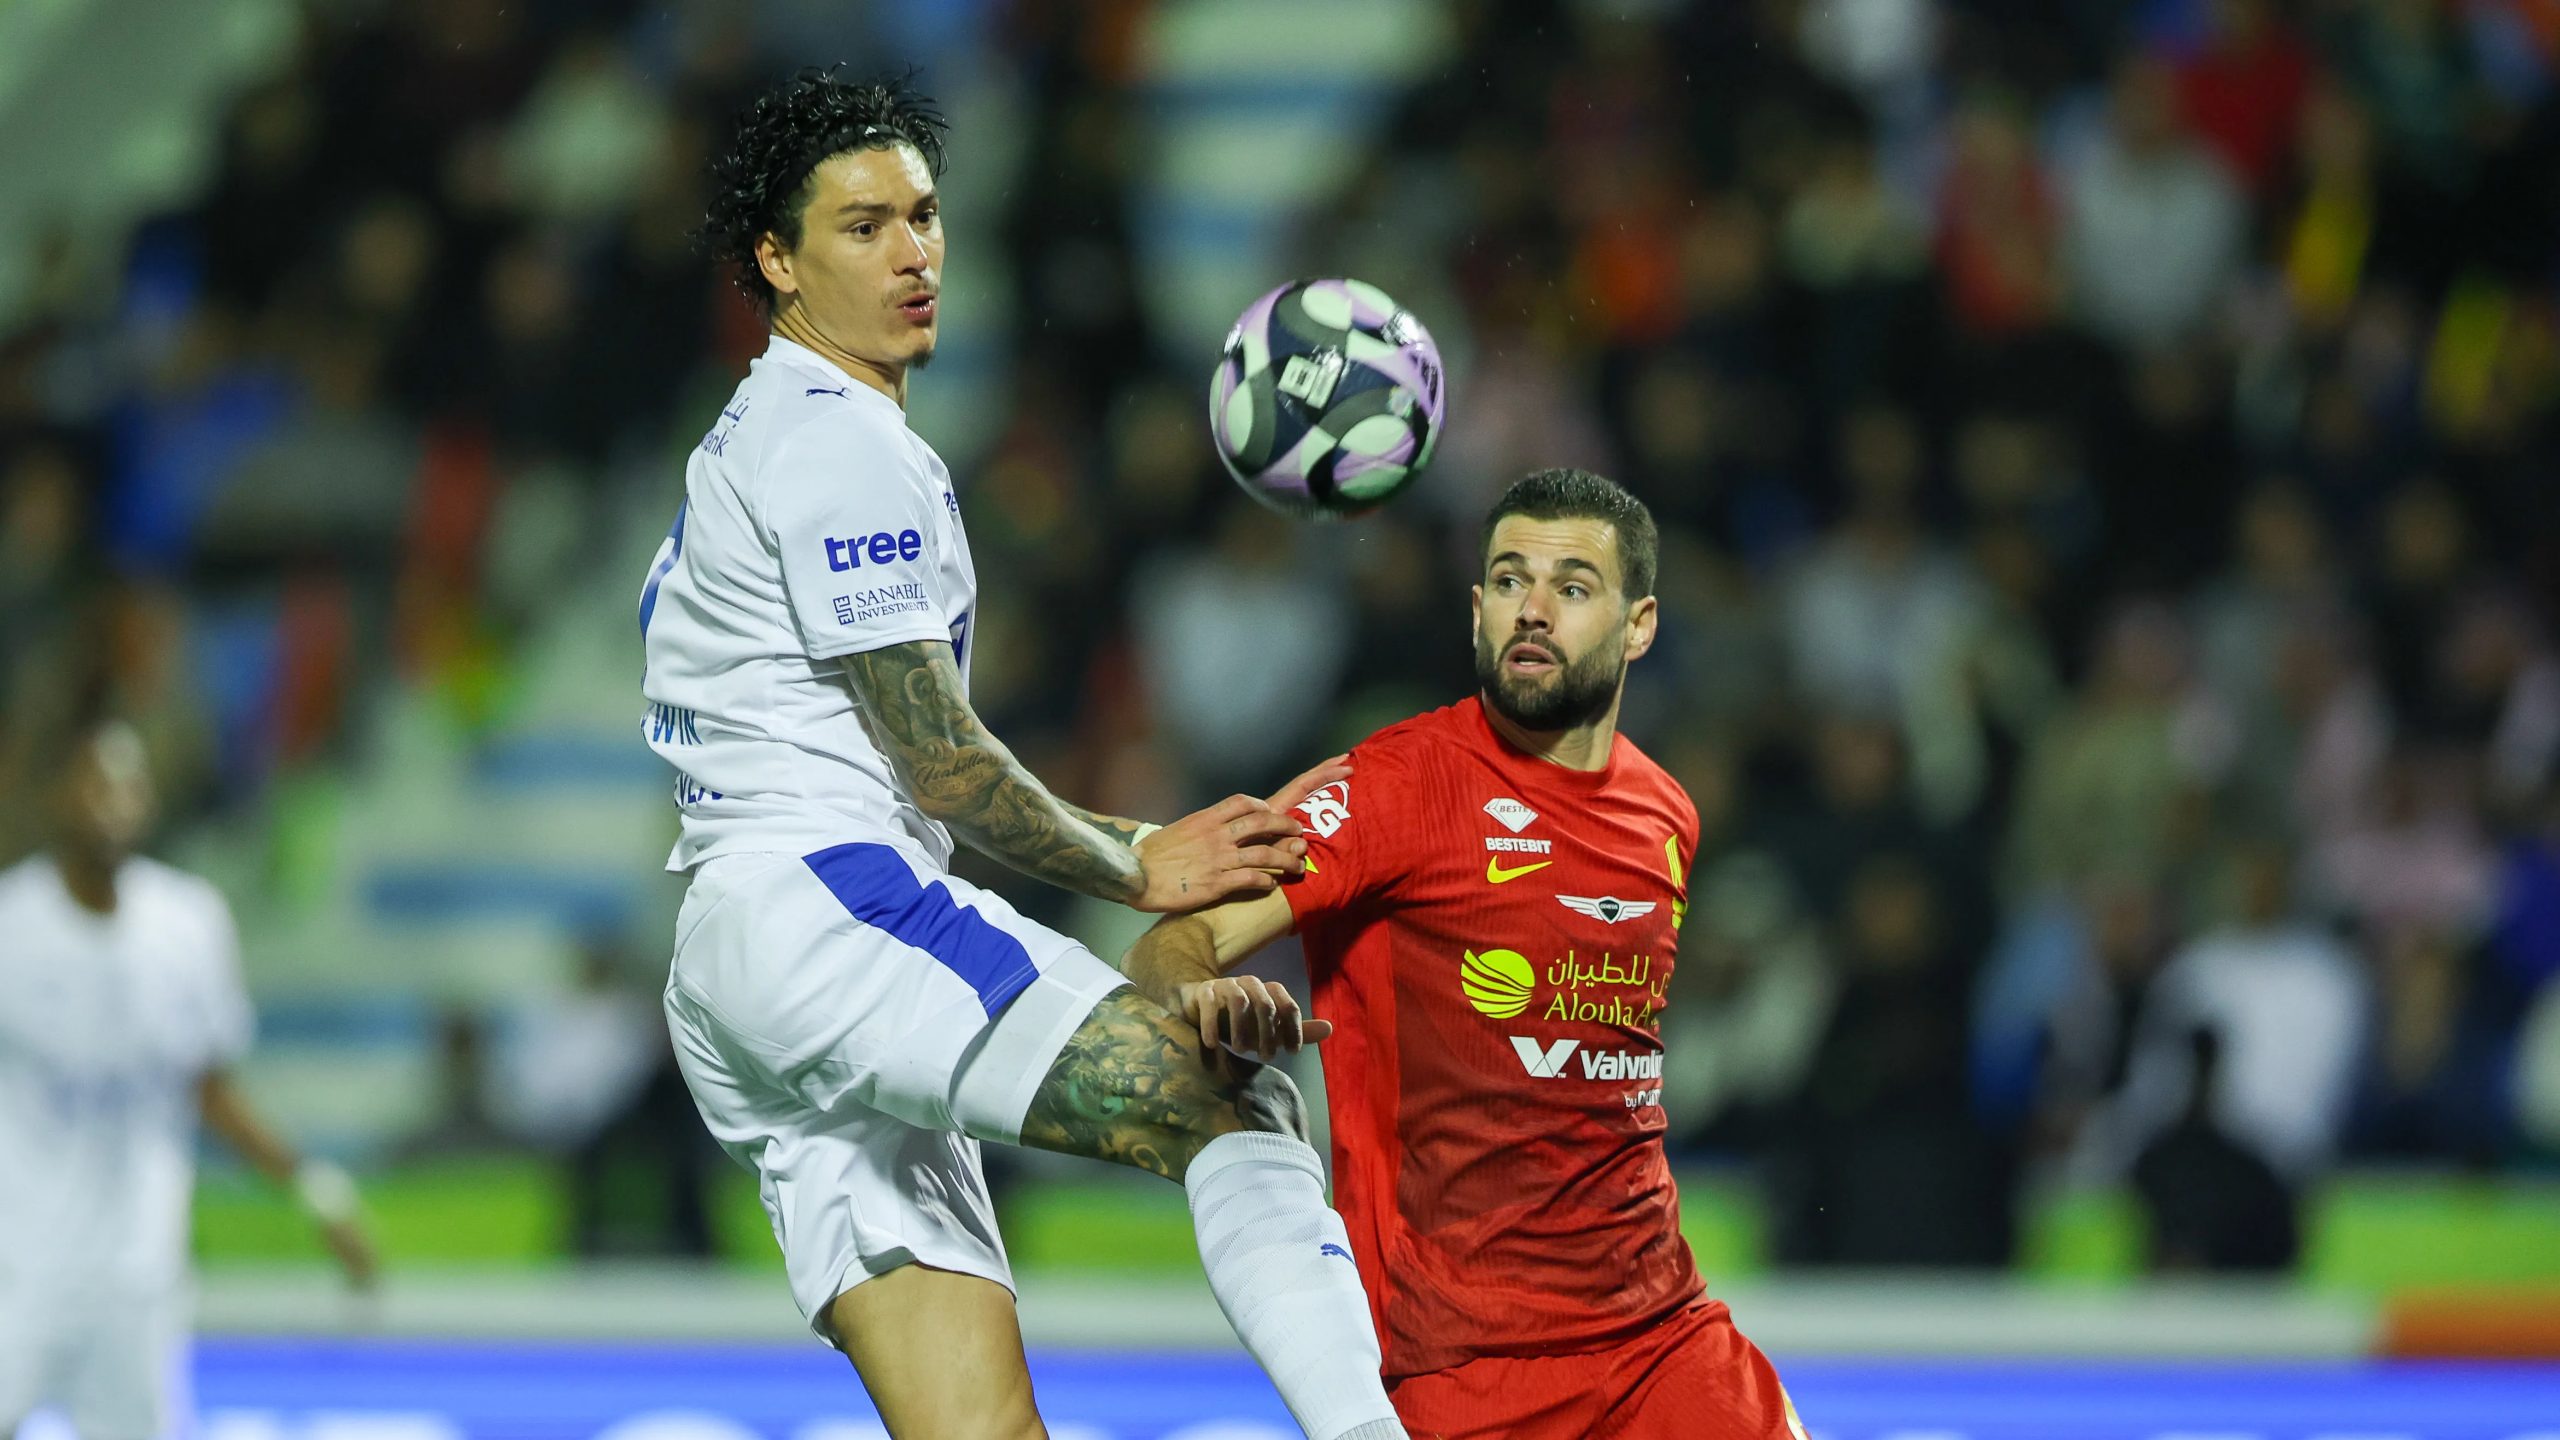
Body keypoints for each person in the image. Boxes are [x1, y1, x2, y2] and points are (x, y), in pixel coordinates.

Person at [642, 70, 1405, 1440]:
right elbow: (941, 764)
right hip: (832, 915)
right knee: (1235, 1108)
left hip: (737, 959)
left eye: (923, 216)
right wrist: (1140, 861)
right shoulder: (837, 442)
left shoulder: (753, 435)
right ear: (778, 260)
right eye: (863, 226)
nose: (912, 253)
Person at [1121, 469, 1807, 1439]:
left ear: (1640, 625)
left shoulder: (1666, 813)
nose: (1532, 609)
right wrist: (1202, 995)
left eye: (1572, 586)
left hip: (1662, 1333)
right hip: (1464, 1365)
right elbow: (1172, 941)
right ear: (1476, 607)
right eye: (1508, 580)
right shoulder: (1392, 787)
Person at [0, 714, 378, 1440]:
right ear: (58, 795)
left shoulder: (189, 923)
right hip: (19, 1259)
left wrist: (318, 1194)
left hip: (138, 1269)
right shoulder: (11, 928)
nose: (114, 803)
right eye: (96, 784)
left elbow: (210, 1088)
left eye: (130, 786)